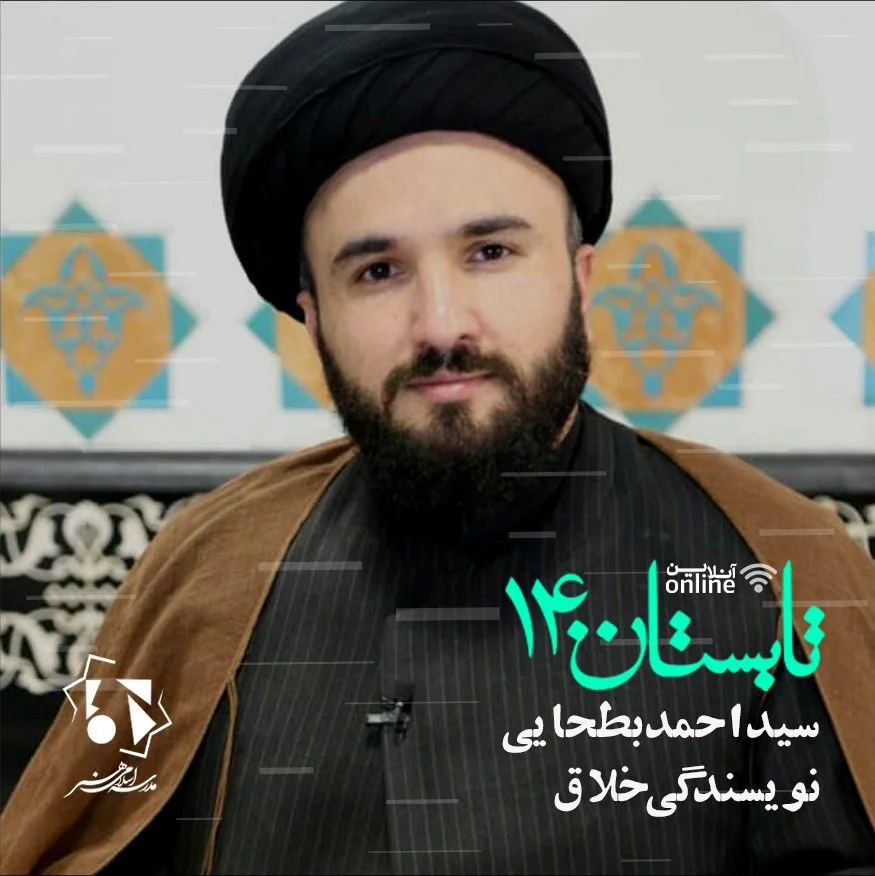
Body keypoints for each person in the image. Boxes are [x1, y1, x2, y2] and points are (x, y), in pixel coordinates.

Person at [1, 2, 873, 874]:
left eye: (489, 252)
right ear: (314, 318)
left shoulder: (775, 575)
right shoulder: (209, 568)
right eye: (377, 271)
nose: (441, 324)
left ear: (580, 279)